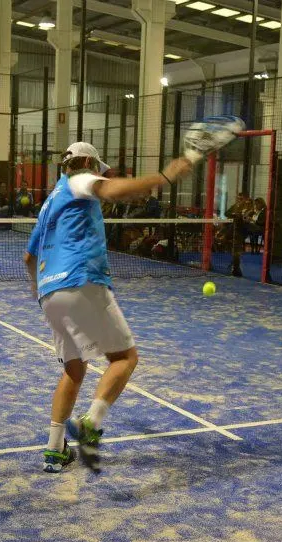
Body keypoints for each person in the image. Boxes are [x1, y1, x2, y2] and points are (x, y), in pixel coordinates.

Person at [23, 142, 195, 474]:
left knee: (74, 370)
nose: (99, 174)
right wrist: (165, 176)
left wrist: (38, 289)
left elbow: (29, 257)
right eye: (97, 168)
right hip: (80, 280)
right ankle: (91, 421)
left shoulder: (49, 203)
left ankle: (55, 450)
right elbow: (113, 190)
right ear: (87, 162)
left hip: (49, 294)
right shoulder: (79, 180)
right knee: (125, 358)